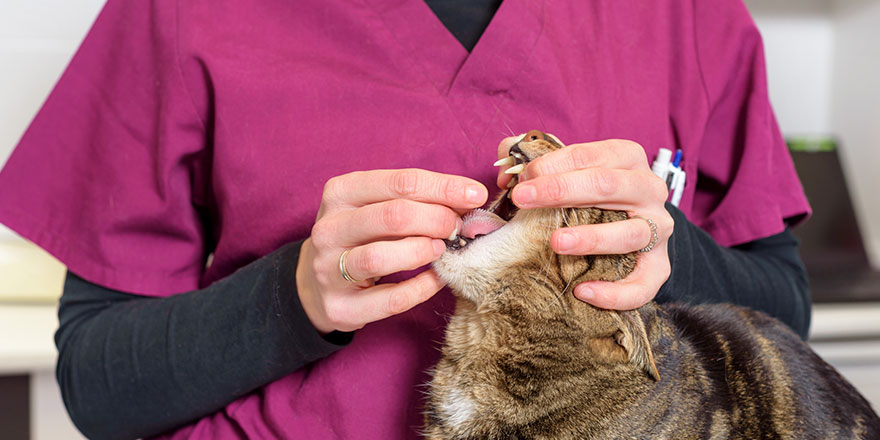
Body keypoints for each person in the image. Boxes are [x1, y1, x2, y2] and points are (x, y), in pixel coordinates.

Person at [0, 0, 811, 438]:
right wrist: (297, 297)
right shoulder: (181, 12)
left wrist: (653, 234)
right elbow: (99, 386)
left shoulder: (692, 15)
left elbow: (786, 323)